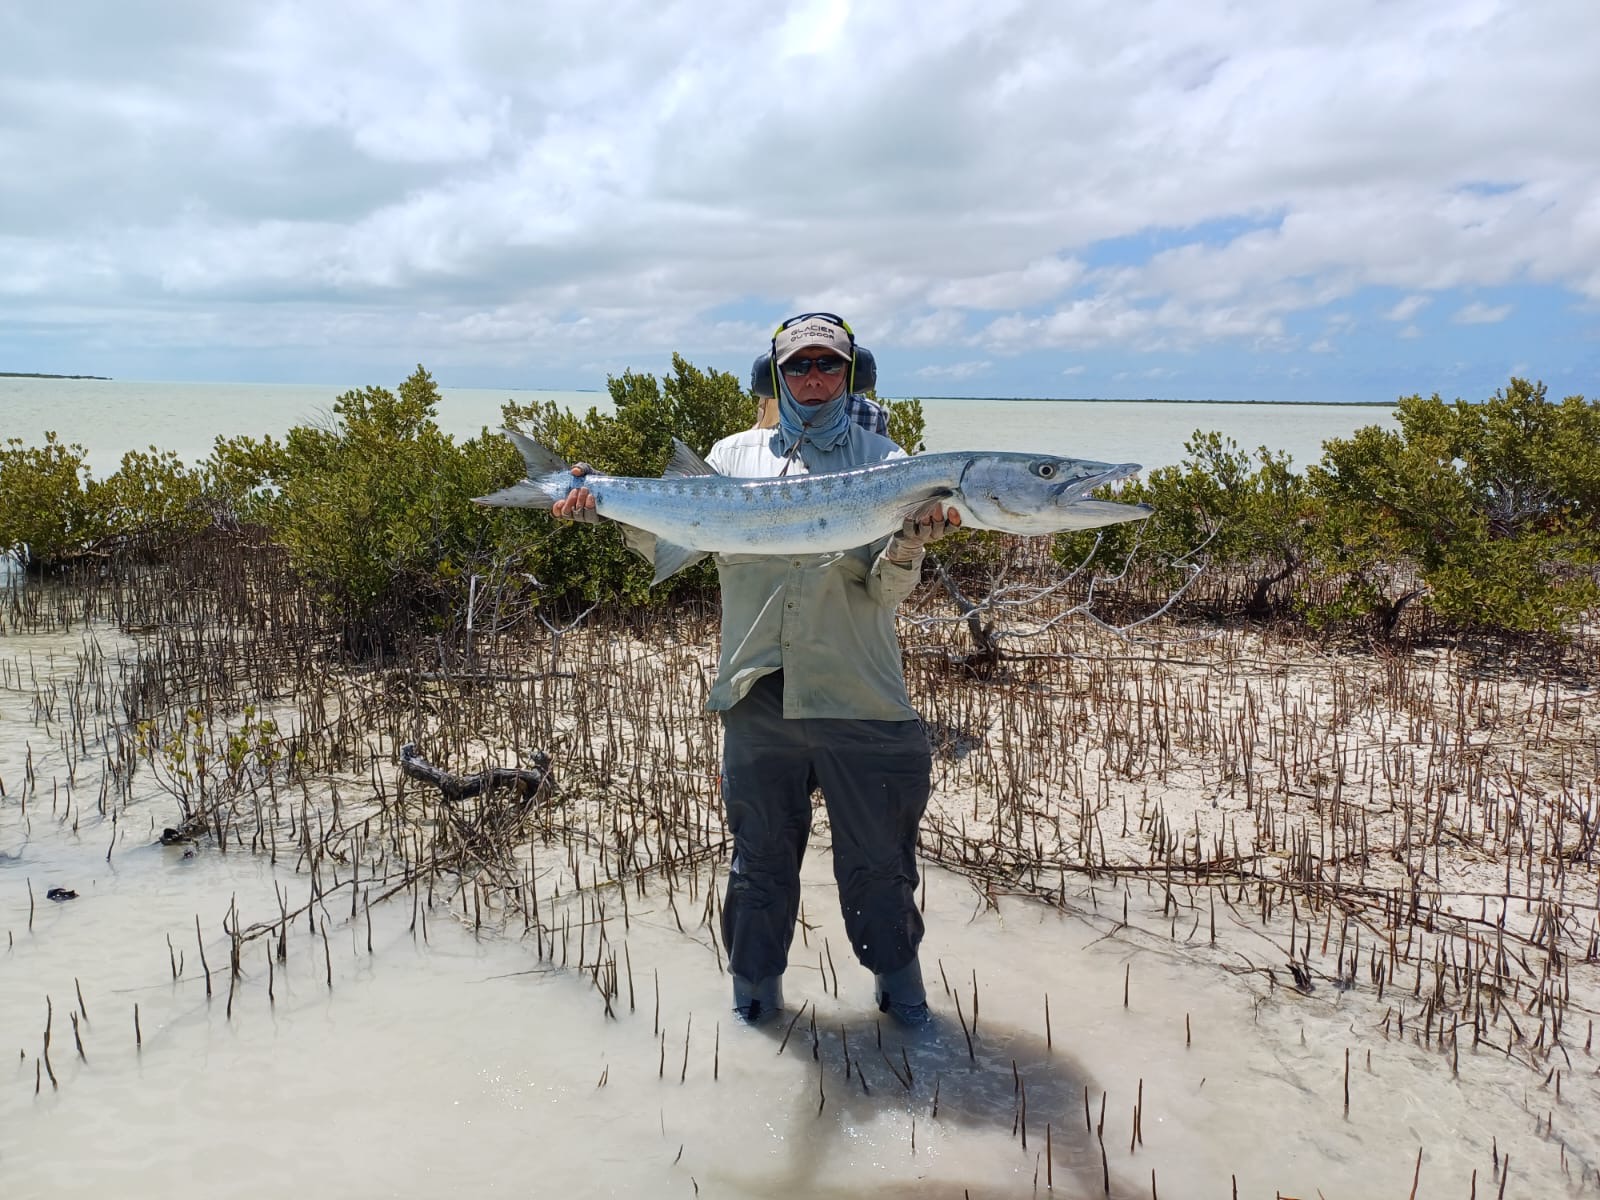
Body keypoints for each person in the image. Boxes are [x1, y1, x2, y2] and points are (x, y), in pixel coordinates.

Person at [552, 312, 959, 1026]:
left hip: (860, 694)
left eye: (828, 366)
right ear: (776, 374)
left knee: (882, 868)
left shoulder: (890, 464)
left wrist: (909, 546)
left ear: (850, 373)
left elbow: (888, 593)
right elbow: (678, 550)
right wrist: (614, 514)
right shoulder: (733, 456)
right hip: (756, 693)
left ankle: (908, 1016)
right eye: (797, 366)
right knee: (759, 869)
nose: (812, 379)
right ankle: (755, 1016)